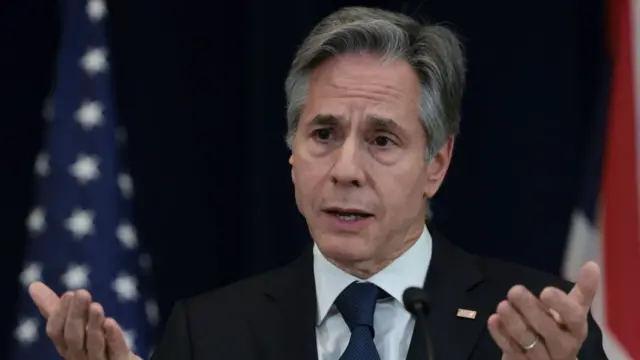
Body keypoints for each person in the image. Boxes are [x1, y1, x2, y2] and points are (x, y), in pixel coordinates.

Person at [27, 6, 608, 360]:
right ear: (292, 154)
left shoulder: (538, 331)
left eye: (382, 140)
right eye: (324, 134)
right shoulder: (210, 334)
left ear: (437, 163)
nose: (346, 169)